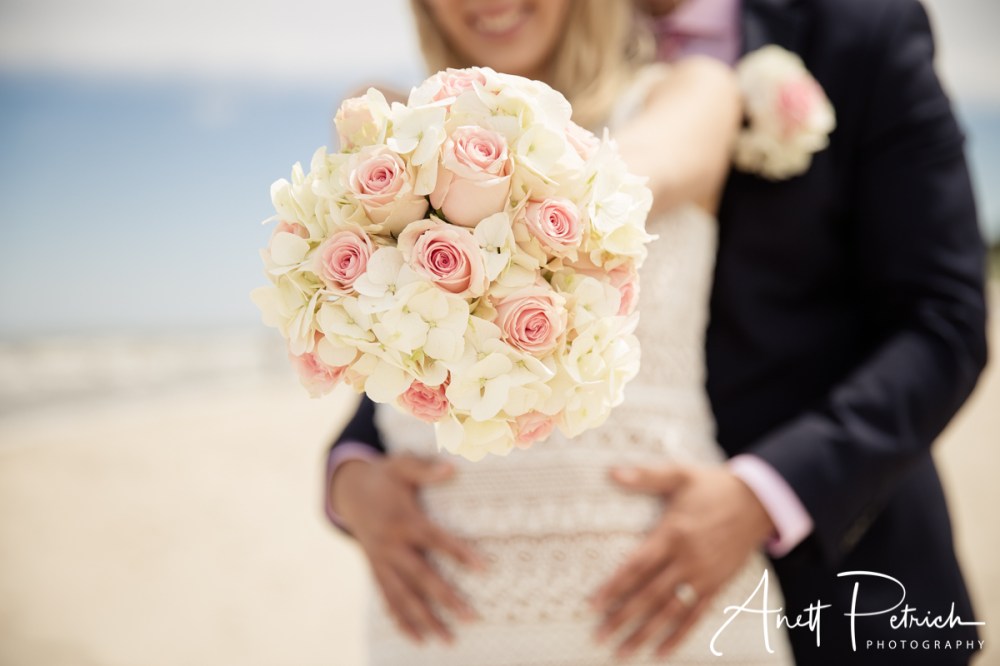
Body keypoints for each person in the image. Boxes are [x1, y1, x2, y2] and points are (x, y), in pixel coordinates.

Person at [328, 0, 989, 664]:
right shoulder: (447, 108)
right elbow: (427, 334)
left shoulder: (843, 35)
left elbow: (944, 320)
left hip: (836, 563)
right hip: (466, 591)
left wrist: (763, 494)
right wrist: (351, 472)